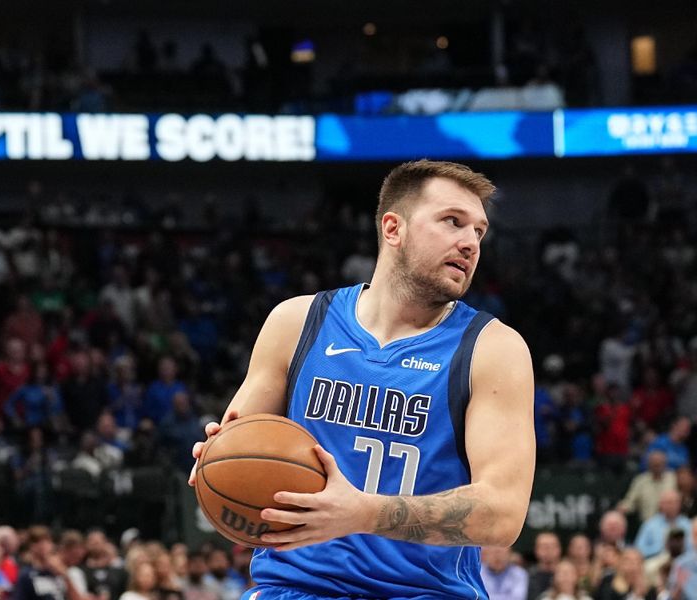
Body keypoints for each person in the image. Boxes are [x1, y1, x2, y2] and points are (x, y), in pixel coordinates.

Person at [188, 160, 536, 598]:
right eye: (452, 222)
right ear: (394, 229)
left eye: (478, 232)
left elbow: (503, 514)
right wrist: (220, 459)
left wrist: (362, 513)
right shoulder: (297, 322)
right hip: (295, 588)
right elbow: (239, 460)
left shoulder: (492, 349)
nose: (469, 243)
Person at [617, 450, 677, 522]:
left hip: (670, 522)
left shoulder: (673, 478)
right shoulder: (640, 480)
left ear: (665, 464)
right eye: (654, 464)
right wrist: (621, 508)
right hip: (646, 524)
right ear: (648, 464)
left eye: (659, 464)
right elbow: (630, 502)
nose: (657, 466)